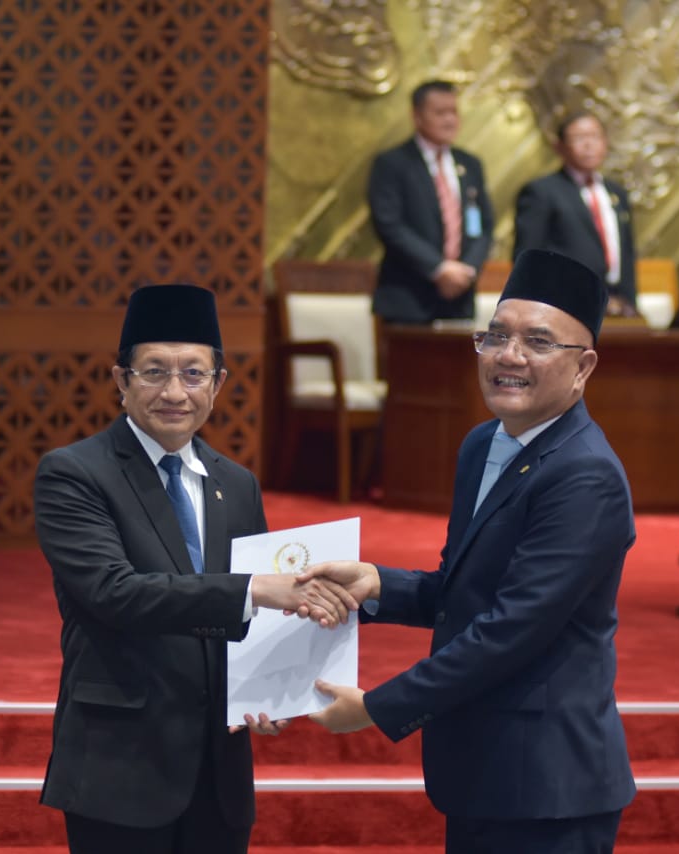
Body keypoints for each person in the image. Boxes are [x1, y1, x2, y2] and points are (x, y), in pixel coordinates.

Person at [302, 249, 637, 853]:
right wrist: (374, 584)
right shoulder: (484, 444)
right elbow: (464, 590)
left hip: (548, 787)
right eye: (496, 336)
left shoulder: (586, 475)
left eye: (537, 341)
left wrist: (378, 707)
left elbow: (511, 629)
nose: (509, 357)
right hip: (484, 767)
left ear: (583, 366)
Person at [33, 283, 355, 854]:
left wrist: (274, 690)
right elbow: (115, 593)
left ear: (219, 384)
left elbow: (249, 620)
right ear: (121, 381)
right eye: (154, 372)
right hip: (121, 768)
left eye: (193, 374)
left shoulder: (236, 483)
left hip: (219, 770)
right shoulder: (74, 473)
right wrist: (256, 591)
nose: (174, 392)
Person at [368, 79, 495, 324]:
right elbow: (389, 225)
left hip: (460, 298)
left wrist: (466, 270)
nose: (450, 120)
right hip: (408, 298)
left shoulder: (469, 164)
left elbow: (483, 226)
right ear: (417, 116)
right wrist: (438, 268)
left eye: (454, 112)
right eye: (440, 112)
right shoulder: (392, 163)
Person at [513, 110, 642, 319]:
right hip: (563, 307)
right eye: (579, 138)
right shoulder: (541, 192)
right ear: (560, 147)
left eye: (595, 136)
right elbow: (528, 258)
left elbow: (626, 254)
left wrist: (631, 303)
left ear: (605, 143)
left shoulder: (616, 193)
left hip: (616, 306)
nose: (589, 145)